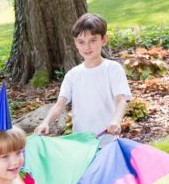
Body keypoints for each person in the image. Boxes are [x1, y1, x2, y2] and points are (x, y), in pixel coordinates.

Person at [35, 13, 131, 147]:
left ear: (104, 40)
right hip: (81, 143)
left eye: (93, 40)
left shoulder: (113, 69)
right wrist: (45, 122)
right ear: (75, 43)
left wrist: (116, 120)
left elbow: (120, 99)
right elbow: (59, 105)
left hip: (107, 140)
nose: (87, 47)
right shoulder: (72, 75)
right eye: (81, 42)